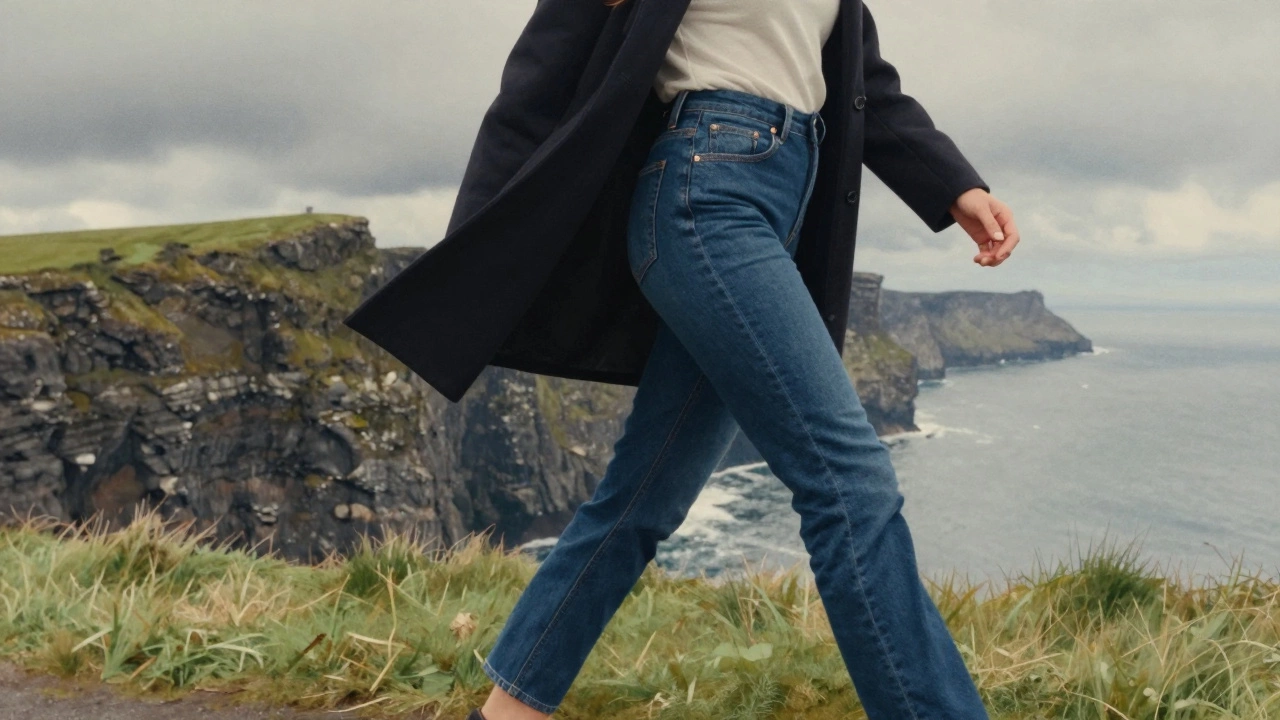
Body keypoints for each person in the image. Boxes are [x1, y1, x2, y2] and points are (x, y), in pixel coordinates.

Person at [393, 2, 1018, 719]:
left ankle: (506, 714)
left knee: (641, 498)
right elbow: (543, 70)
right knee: (852, 484)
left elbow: (859, 81)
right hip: (705, 191)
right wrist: (485, 244)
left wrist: (954, 185)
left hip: (784, 200)